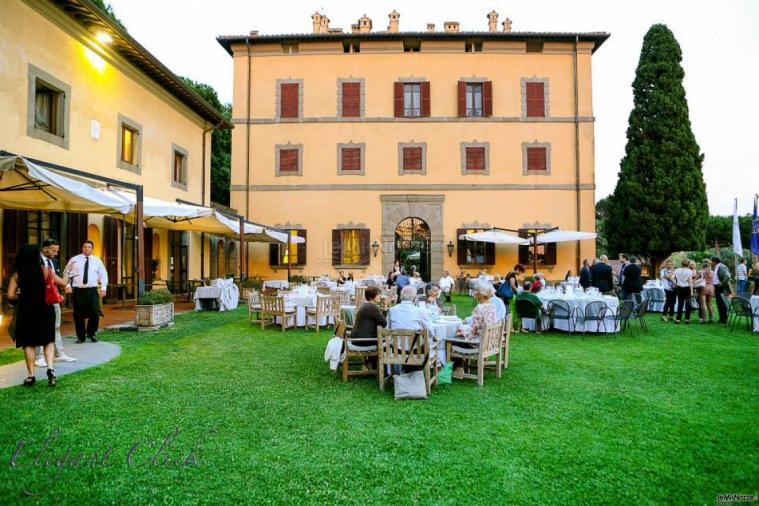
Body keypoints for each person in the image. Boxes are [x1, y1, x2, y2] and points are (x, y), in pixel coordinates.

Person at [7, 244, 68, 387]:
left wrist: (20, 300)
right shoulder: (46, 270)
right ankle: (51, 369)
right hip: (45, 309)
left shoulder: (17, 273)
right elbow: (63, 283)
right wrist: (67, 275)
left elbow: (10, 295)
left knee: (29, 343)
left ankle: (31, 376)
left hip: (26, 310)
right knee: (48, 340)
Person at [35, 238, 76, 368]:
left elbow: (59, 281)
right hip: (40, 299)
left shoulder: (54, 261)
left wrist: (67, 280)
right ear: (45, 249)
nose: (56, 253)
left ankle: (59, 354)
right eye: (54, 250)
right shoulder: (36, 261)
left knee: (56, 326)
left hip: (54, 298)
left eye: (57, 250)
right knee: (40, 327)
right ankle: (39, 356)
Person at [65, 240, 108, 343]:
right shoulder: (74, 260)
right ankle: (81, 336)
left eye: (89, 247)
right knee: (78, 314)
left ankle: (91, 334)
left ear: (92, 249)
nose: (87, 249)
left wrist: (103, 288)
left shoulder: (97, 261)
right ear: (82, 248)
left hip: (92, 290)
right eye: (85, 247)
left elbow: (103, 274)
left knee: (95, 313)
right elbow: (66, 272)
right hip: (79, 291)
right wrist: (67, 285)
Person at [453, 282, 498, 377]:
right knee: (459, 337)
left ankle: (458, 369)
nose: (474, 292)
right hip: (491, 341)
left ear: (481, 294)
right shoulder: (491, 305)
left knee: (454, 341)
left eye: (476, 290)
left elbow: (473, 329)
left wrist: (462, 333)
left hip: (481, 341)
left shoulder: (480, 308)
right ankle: (459, 368)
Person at [711, 256, 732, 324]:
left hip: (721, 288)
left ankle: (724, 319)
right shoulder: (717, 267)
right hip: (717, 287)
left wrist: (722, 283)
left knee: (722, 303)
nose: (711, 262)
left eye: (711, 261)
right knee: (719, 303)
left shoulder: (721, 267)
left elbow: (728, 276)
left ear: (714, 261)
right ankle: (721, 318)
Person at [673, 259, 694, 324]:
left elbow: (671, 278)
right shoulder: (689, 271)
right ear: (688, 264)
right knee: (688, 304)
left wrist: (675, 283)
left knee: (680, 303)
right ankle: (687, 319)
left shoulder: (676, 270)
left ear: (681, 263)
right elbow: (690, 281)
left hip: (679, 287)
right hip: (687, 287)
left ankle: (678, 319)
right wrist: (692, 291)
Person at [695, 259, 713, 323]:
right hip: (711, 288)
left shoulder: (701, 272)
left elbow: (695, 280)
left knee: (703, 303)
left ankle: (704, 319)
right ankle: (711, 318)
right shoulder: (712, 272)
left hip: (703, 288)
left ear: (703, 265)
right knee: (709, 303)